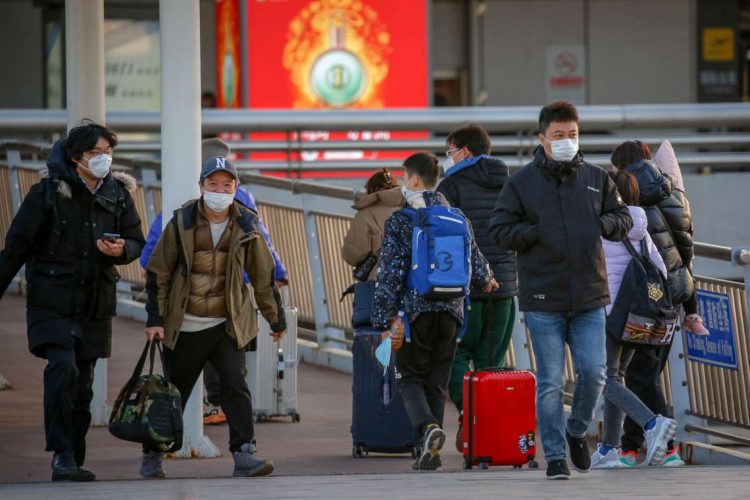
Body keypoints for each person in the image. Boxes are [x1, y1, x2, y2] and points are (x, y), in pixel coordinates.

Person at [489, 101, 632, 480]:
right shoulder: (521, 182)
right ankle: (554, 456)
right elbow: (500, 229)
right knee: (550, 382)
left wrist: (602, 224)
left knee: (595, 373)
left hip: (588, 295)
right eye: (559, 136)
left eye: (572, 135)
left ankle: (574, 431)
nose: (567, 141)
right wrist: (536, 232)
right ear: (542, 138)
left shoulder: (598, 178)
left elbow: (622, 218)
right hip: (542, 298)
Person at [0, 121, 145, 482]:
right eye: (96, 153)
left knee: (84, 385)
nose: (104, 160)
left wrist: (122, 249)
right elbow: (17, 245)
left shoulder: (118, 194)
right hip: (52, 299)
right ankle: (61, 453)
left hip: (95, 301)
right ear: (76, 155)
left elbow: (137, 241)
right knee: (62, 369)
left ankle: (74, 457)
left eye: (108, 153)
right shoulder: (48, 193)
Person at [142, 156, 286, 479]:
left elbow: (263, 275)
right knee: (173, 393)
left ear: (236, 188)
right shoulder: (182, 221)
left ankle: (244, 453)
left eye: (227, 184)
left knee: (236, 386)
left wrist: (275, 320)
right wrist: (156, 319)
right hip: (186, 325)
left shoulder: (247, 223)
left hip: (226, 324)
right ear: (202, 187)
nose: (220, 190)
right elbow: (158, 271)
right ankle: (153, 454)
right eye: (213, 184)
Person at [371, 152, 495, 471]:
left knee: (409, 377)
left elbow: (390, 273)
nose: (401, 184)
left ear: (414, 180)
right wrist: (489, 281)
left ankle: (427, 429)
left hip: (415, 313)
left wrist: (384, 319)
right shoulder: (457, 216)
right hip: (453, 312)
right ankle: (430, 454)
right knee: (436, 383)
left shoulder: (401, 220)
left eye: (403, 178)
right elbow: (478, 266)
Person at [610, 140, 706, 467]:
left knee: (640, 376)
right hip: (671, 299)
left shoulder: (626, 196)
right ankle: (630, 447)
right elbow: (686, 255)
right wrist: (690, 306)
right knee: (645, 373)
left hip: (640, 299)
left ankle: (666, 447)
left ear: (623, 166)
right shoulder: (676, 195)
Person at [590, 170, 677, 469]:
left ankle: (652, 423)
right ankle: (609, 449)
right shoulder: (642, 226)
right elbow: (661, 272)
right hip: (637, 318)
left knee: (604, 378)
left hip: (608, 312)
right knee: (617, 376)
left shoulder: (603, 227)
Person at [435, 124, 512, 451]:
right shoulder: (510, 182)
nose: (447, 157)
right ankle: (490, 436)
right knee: (491, 362)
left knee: (456, 357)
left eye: (450, 151)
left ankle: (470, 415)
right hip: (506, 286)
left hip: (465, 289)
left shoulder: (450, 186)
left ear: (463, 151)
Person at [341, 168, 401, 281]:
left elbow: (352, 256)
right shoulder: (414, 208)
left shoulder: (365, 215)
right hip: (413, 281)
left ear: (371, 190)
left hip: (379, 281)